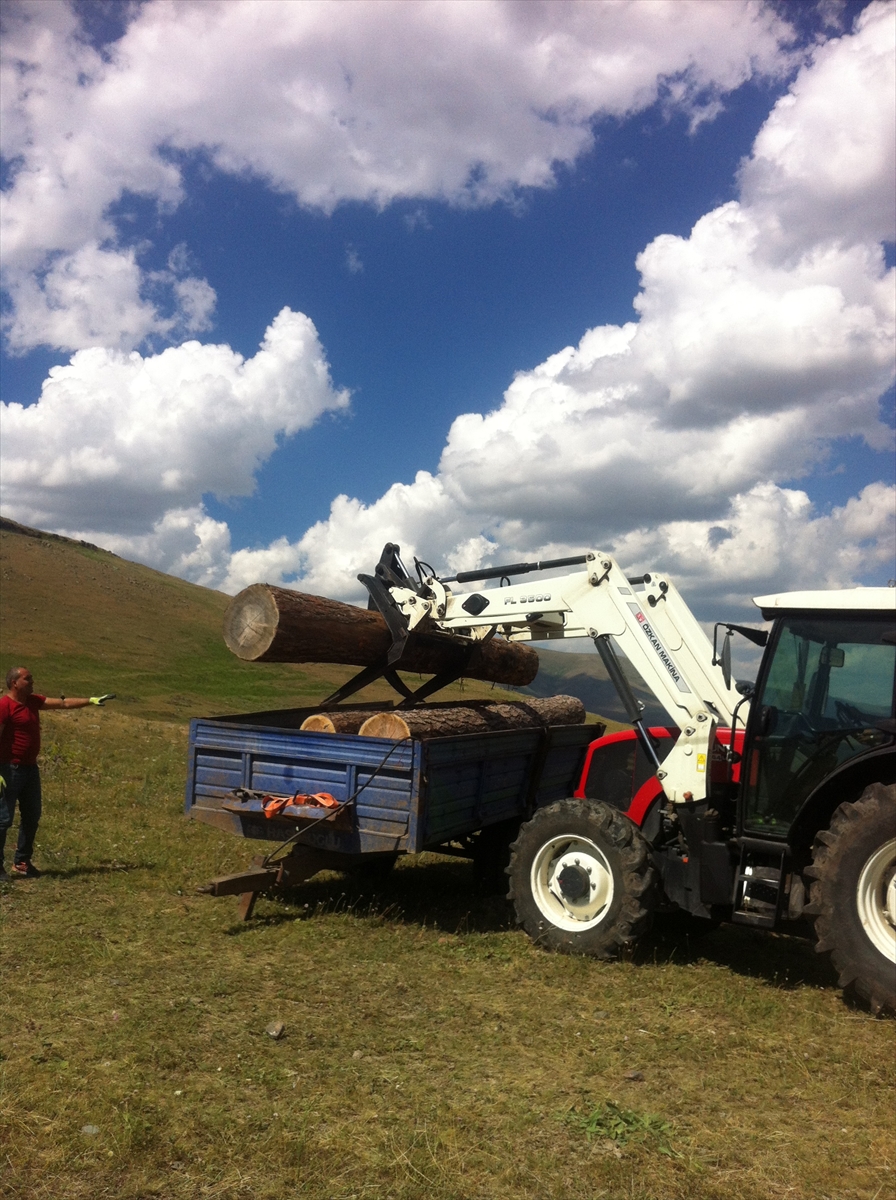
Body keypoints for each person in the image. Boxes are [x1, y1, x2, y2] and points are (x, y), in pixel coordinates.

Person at [0, 667, 114, 881]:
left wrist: (91, 700)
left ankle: (22, 862)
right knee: (2, 820)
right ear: (14, 683)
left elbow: (63, 704)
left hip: (30, 770)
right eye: (28, 679)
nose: (32, 682)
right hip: (9, 770)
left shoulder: (33, 701)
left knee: (32, 815)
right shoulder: (4, 706)